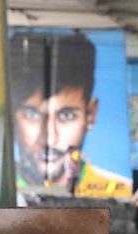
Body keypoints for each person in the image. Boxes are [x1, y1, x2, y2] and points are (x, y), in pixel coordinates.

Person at [10, 33, 98, 194]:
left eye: (66, 116)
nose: (50, 139)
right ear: (11, 115)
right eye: (32, 115)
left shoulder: (114, 185)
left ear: (91, 114)